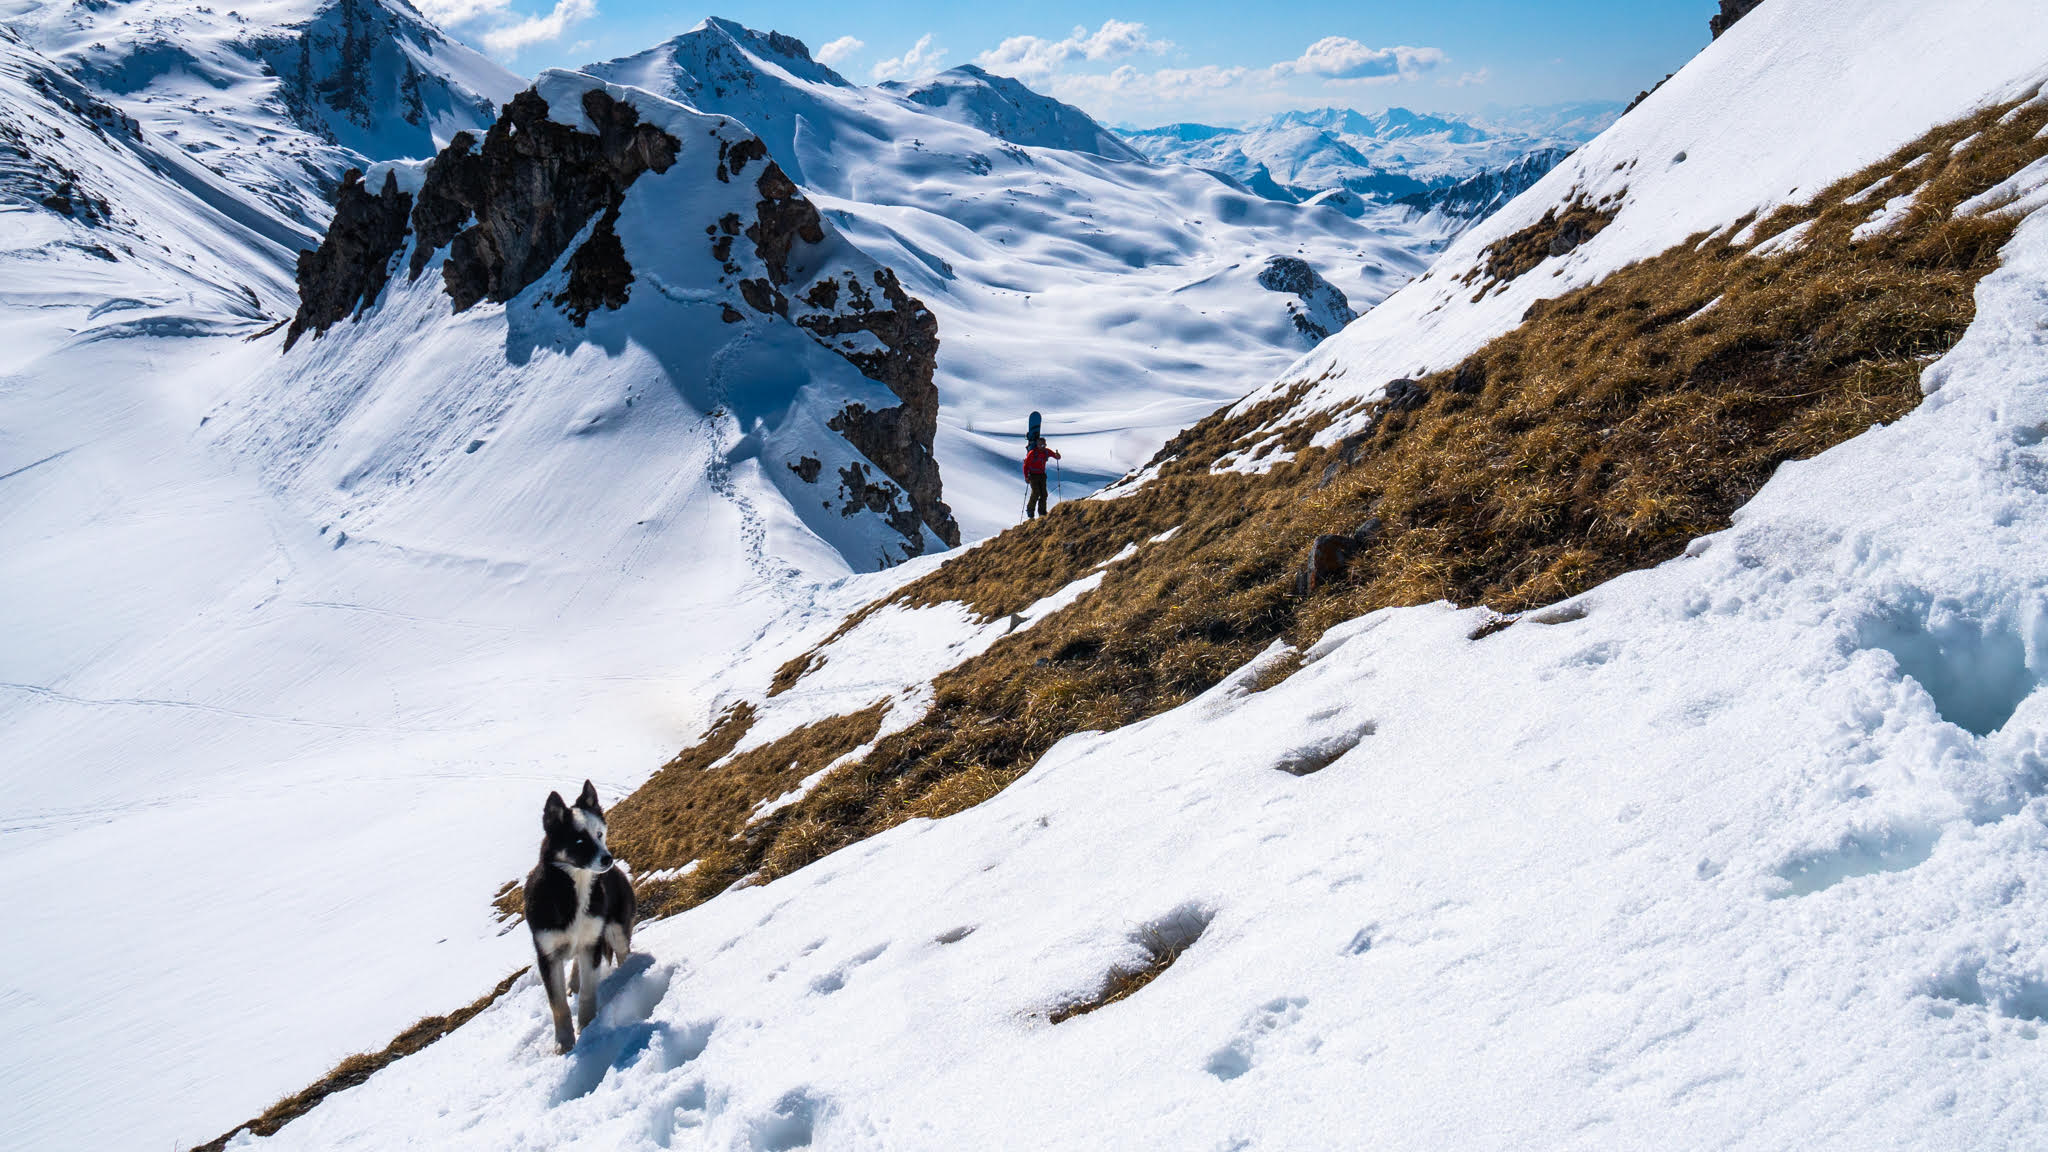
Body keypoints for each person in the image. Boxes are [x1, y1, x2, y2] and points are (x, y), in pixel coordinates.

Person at [1023, 435, 1060, 519]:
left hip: (1042, 475)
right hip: (1033, 476)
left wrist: (1057, 455)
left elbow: (1056, 456)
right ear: (1037, 445)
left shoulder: (1046, 451)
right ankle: (1030, 511)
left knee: (1044, 494)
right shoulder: (1032, 453)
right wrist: (1026, 477)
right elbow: (1026, 466)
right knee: (1036, 493)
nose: (1043, 447)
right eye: (1041, 445)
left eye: (1044, 445)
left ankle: (1042, 512)